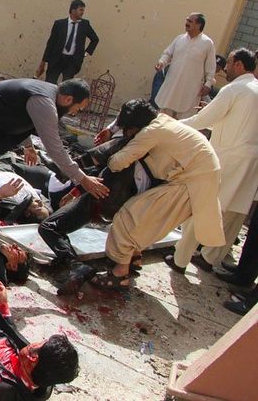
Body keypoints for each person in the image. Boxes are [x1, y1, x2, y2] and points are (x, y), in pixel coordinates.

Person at [0, 78, 109, 234]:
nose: (74, 113)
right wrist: (83, 179)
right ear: (68, 99)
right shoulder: (45, 103)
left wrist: (28, 146)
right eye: (77, 108)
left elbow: (12, 112)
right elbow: (55, 149)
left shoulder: (47, 94)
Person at [88, 100, 224, 290]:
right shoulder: (162, 121)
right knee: (145, 216)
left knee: (130, 216)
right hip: (198, 178)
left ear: (135, 126)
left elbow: (118, 163)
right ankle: (133, 257)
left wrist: (110, 151)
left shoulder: (151, 132)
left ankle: (120, 274)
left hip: (190, 184)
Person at [41, 104, 162, 294]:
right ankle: (133, 258)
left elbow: (96, 164)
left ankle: (76, 266)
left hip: (105, 199)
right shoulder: (161, 150)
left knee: (49, 227)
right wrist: (76, 191)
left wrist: (73, 181)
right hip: (135, 206)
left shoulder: (126, 145)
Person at [175, 48, 258, 269]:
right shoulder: (255, 90)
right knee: (233, 214)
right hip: (251, 162)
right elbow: (233, 123)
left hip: (228, 157)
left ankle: (180, 259)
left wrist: (172, 124)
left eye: (229, 63)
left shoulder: (234, 89)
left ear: (239, 65)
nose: (226, 68)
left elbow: (204, 119)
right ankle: (210, 258)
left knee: (202, 205)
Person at [154, 12, 216, 118]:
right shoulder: (180, 39)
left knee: (183, 120)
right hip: (172, 84)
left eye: (190, 21)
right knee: (163, 116)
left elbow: (211, 66)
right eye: (187, 20)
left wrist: (208, 84)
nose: (186, 23)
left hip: (190, 88)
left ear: (198, 25)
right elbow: (168, 53)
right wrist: (161, 62)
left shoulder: (207, 43)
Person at [36, 0, 100, 83]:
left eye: (83, 10)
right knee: (50, 83)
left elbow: (95, 39)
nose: (82, 12)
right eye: (80, 10)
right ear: (73, 10)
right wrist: (44, 61)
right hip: (57, 59)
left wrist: (86, 53)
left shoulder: (85, 24)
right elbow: (51, 43)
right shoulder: (59, 24)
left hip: (72, 61)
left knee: (66, 86)